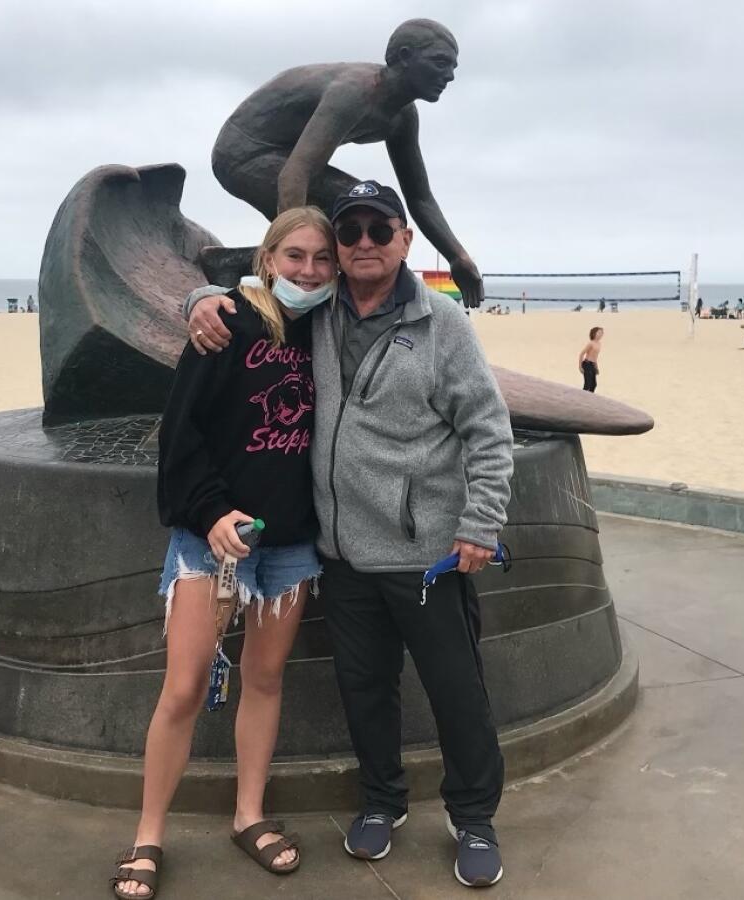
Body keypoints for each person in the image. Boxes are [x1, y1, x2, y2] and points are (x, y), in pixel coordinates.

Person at [186, 181, 513, 888]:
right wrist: (197, 300)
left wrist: (480, 521)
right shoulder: (317, 313)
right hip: (340, 551)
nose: (362, 242)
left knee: (456, 688)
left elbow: (488, 428)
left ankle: (475, 817)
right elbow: (254, 297)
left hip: (424, 552)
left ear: (404, 240)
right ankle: (383, 801)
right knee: (364, 687)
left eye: (377, 229)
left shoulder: (442, 326)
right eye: (351, 231)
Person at [112, 208, 336, 899]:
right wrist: (210, 512)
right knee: (181, 690)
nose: (307, 270)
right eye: (293, 255)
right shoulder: (227, 323)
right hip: (214, 543)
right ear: (267, 258)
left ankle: (250, 815)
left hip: (292, 547)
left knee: (264, 681)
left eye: (320, 259)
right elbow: (180, 436)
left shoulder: (329, 332)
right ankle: (148, 837)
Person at [206, 19, 483, 306]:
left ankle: (231, 263)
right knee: (356, 213)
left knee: (365, 214)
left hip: (282, 158)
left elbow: (420, 198)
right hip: (241, 153)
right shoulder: (356, 92)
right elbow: (295, 174)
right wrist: (300, 256)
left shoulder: (403, 116)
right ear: (404, 57)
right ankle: (291, 286)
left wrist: (457, 256)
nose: (449, 76)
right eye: (440, 63)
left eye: (453, 67)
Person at [578, 326, 603, 392]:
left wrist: (596, 368)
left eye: (602, 333)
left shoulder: (599, 344)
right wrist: (580, 366)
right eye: (599, 332)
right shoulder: (591, 343)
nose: (601, 334)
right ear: (594, 333)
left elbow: (595, 357)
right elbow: (581, 354)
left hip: (592, 365)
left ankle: (589, 398)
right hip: (587, 364)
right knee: (587, 384)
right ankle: (582, 397)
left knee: (594, 384)